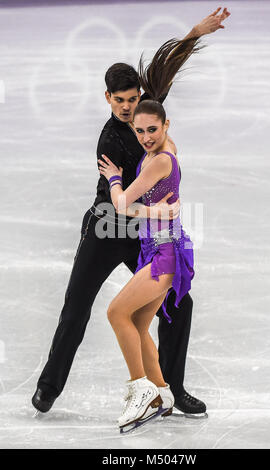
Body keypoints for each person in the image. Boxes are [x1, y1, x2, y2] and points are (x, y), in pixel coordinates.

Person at [32, 7, 230, 417]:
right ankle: (48, 387)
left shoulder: (147, 113)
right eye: (120, 101)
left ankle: (170, 389)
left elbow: (167, 65)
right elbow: (119, 203)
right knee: (77, 306)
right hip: (108, 227)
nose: (128, 109)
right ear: (108, 98)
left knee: (179, 303)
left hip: (142, 232)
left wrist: (196, 31)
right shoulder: (109, 141)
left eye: (133, 99)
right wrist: (161, 211)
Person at [98, 35, 206, 431]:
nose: (144, 136)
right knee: (140, 324)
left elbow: (122, 204)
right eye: (140, 130)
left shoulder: (157, 162)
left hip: (163, 256)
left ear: (166, 125)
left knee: (116, 313)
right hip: (161, 249)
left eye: (151, 129)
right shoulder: (161, 148)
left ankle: (139, 388)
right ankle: (161, 391)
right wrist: (194, 34)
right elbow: (160, 86)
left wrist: (113, 178)